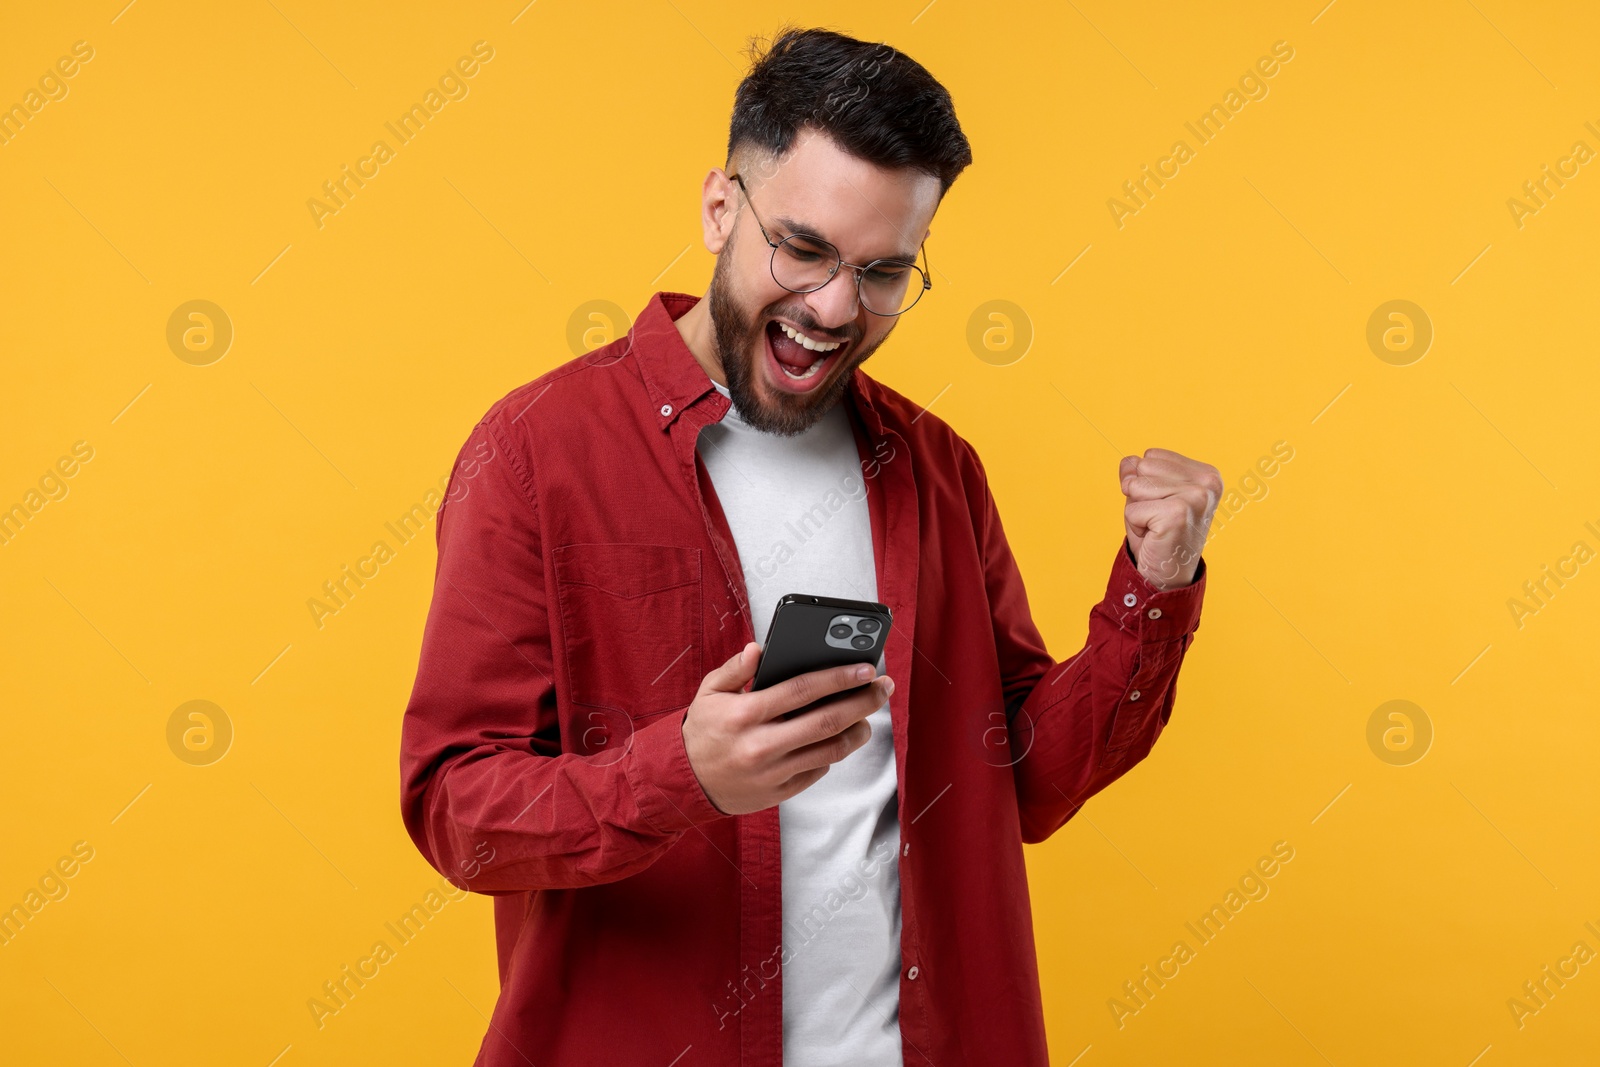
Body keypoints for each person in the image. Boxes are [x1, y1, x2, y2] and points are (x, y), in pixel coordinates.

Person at [399, 24, 1220, 1067]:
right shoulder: (535, 454)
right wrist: (678, 774)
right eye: (803, 248)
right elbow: (454, 808)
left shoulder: (936, 471)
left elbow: (1020, 778)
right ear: (717, 208)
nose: (834, 308)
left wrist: (1155, 587)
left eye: (883, 271)